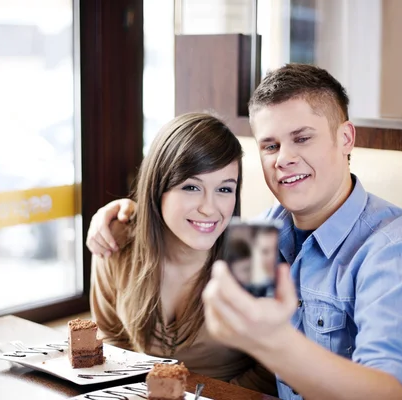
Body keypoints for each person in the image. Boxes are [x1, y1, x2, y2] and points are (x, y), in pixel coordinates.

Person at [86, 64, 402, 400]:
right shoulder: (265, 232)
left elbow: (390, 393)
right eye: (270, 145)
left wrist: (274, 344)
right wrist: (131, 215)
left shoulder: (396, 252)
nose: (285, 159)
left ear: (345, 138)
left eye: (302, 138)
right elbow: (192, 214)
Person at [89, 112, 277, 395]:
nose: (209, 208)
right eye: (191, 187)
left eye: (225, 189)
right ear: (158, 186)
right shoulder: (116, 238)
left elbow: (270, 369)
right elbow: (110, 338)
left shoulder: (251, 251)